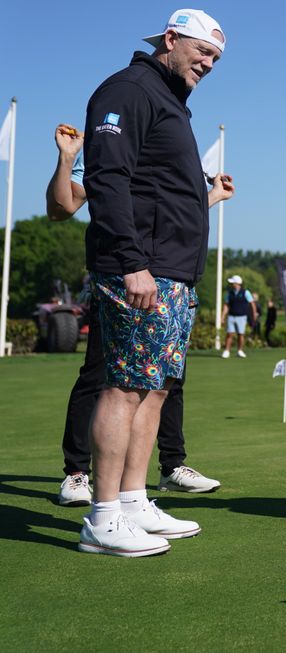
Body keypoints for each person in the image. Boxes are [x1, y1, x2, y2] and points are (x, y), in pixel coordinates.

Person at [78, 9, 226, 557]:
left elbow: (164, 190)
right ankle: (103, 516)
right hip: (140, 268)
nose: (208, 64)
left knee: (156, 386)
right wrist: (131, 260)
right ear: (170, 40)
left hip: (171, 272)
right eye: (203, 52)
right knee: (125, 385)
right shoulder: (129, 89)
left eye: (215, 58)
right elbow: (106, 178)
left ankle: (135, 500)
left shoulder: (169, 101)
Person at [45, 122, 229, 506]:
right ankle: (78, 474)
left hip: (168, 277)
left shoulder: (168, 153)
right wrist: (67, 159)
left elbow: (172, 212)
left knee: (166, 381)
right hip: (120, 277)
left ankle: (168, 467)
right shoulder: (111, 145)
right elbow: (62, 207)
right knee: (101, 376)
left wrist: (210, 197)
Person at [221, 275, 257, 358]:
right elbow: (226, 305)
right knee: (229, 334)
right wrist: (223, 316)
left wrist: (254, 314)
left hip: (242, 317)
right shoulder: (229, 293)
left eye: (233, 282)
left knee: (241, 334)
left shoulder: (245, 292)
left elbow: (252, 304)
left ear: (237, 283)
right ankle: (227, 351)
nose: (231, 284)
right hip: (231, 316)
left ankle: (240, 351)